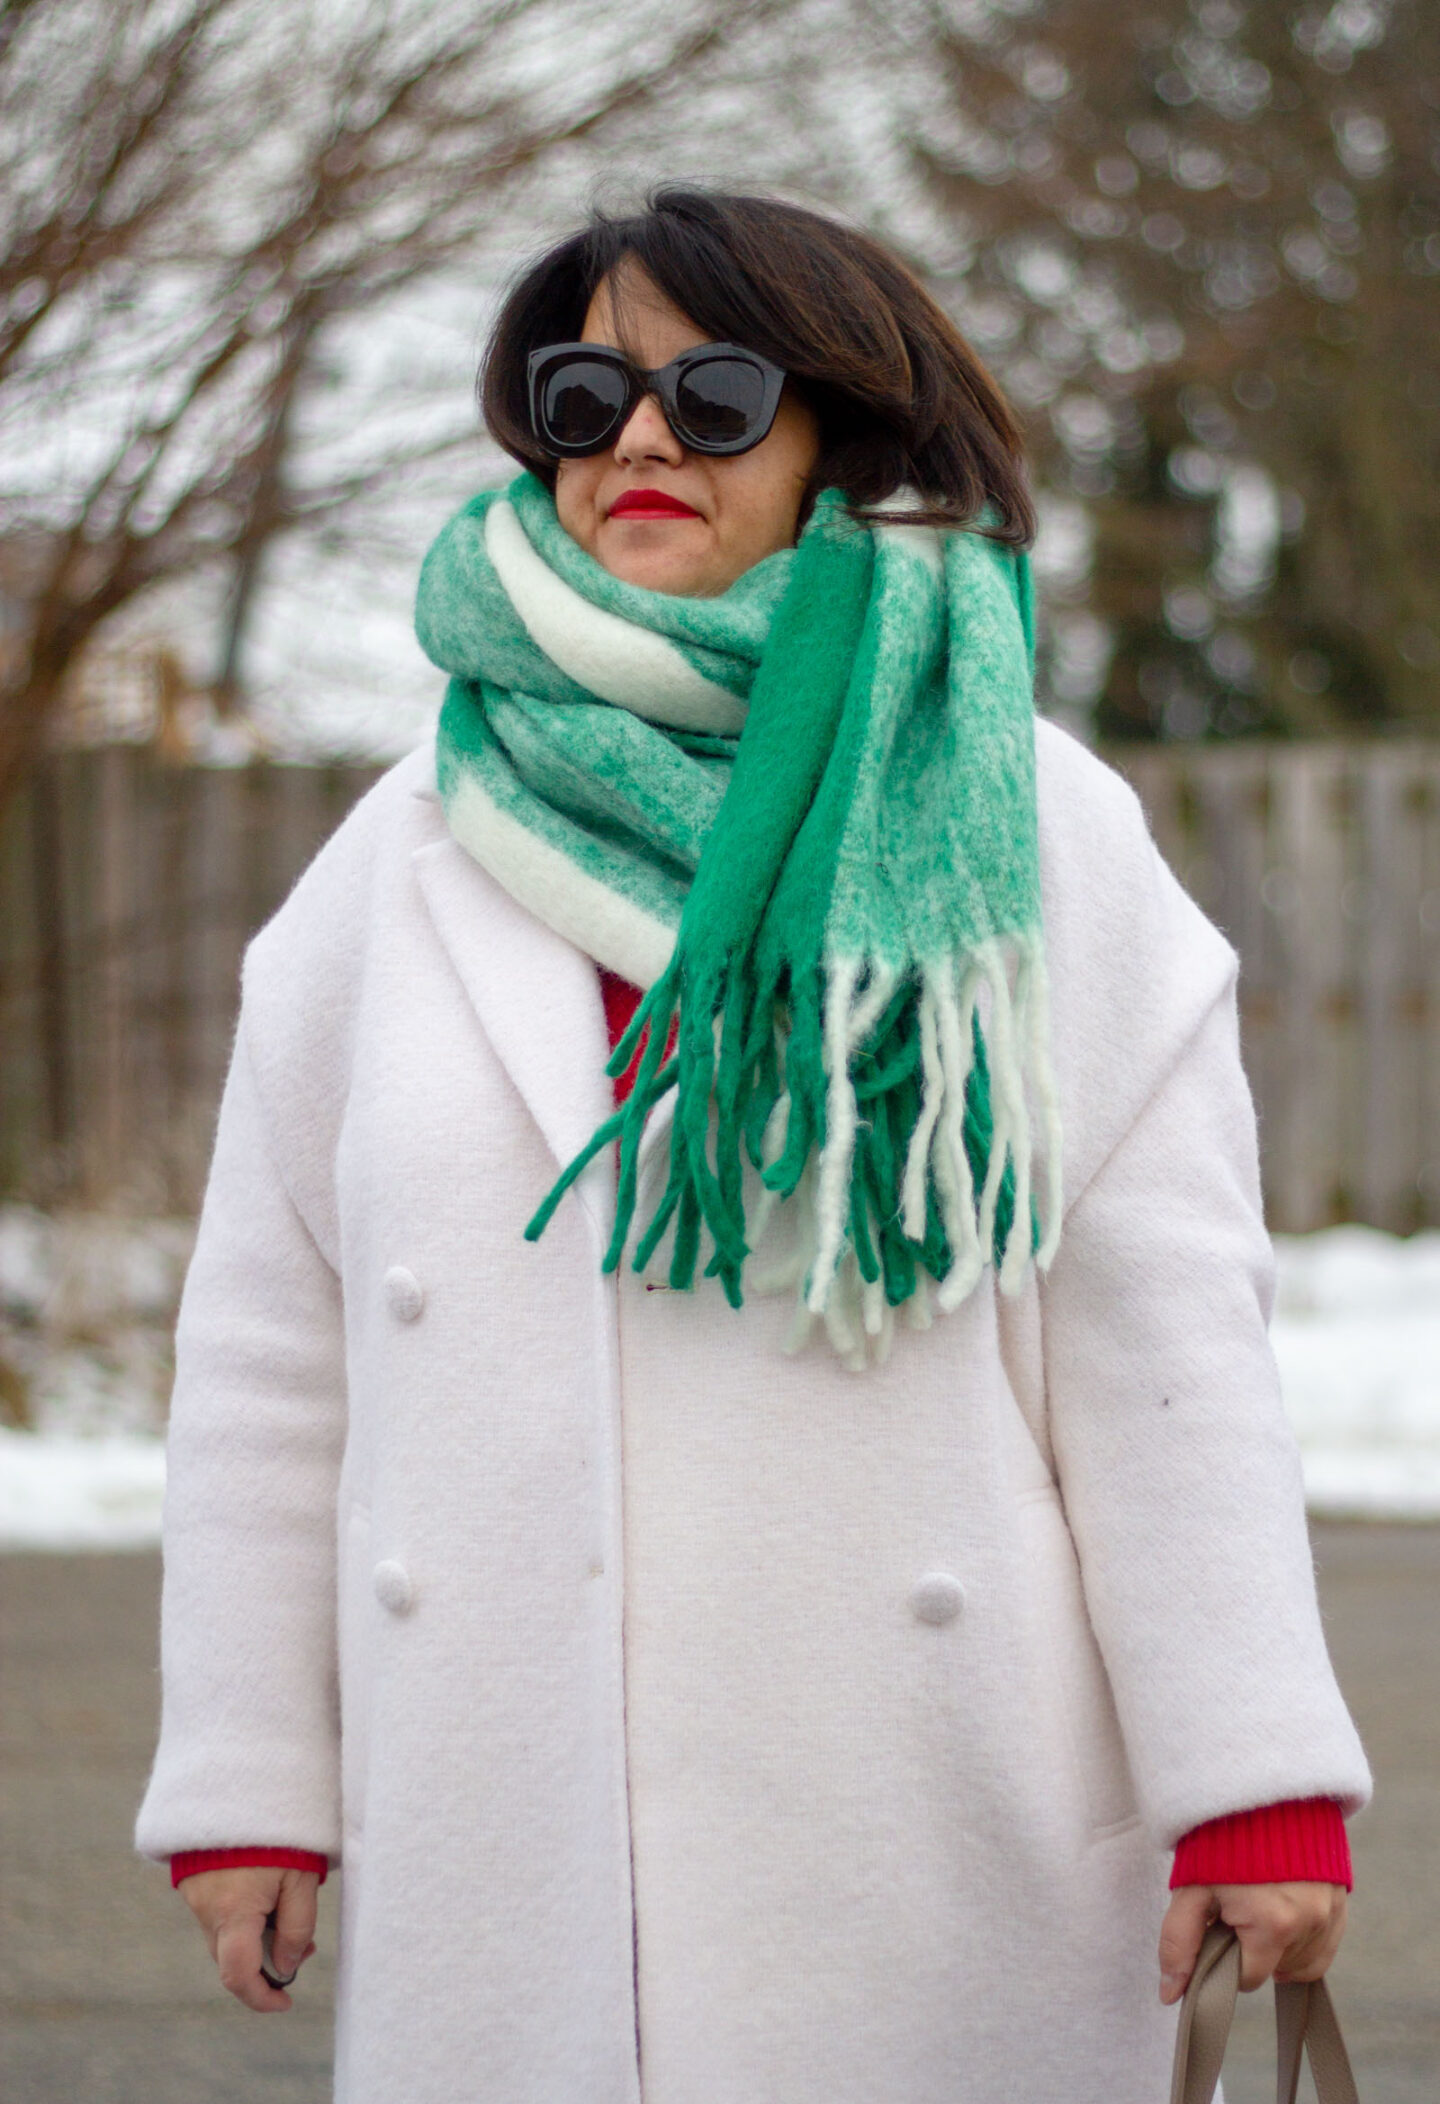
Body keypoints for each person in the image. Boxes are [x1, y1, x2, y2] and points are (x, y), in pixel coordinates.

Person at [136, 187, 1369, 2104]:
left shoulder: (1030, 823)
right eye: (582, 393)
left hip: (927, 1822)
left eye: (715, 394)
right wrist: (247, 1785)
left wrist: (1258, 1789)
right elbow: (267, 1355)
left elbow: (1170, 1341)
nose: (637, 437)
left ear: (835, 439)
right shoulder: (396, 855)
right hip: (504, 1839)